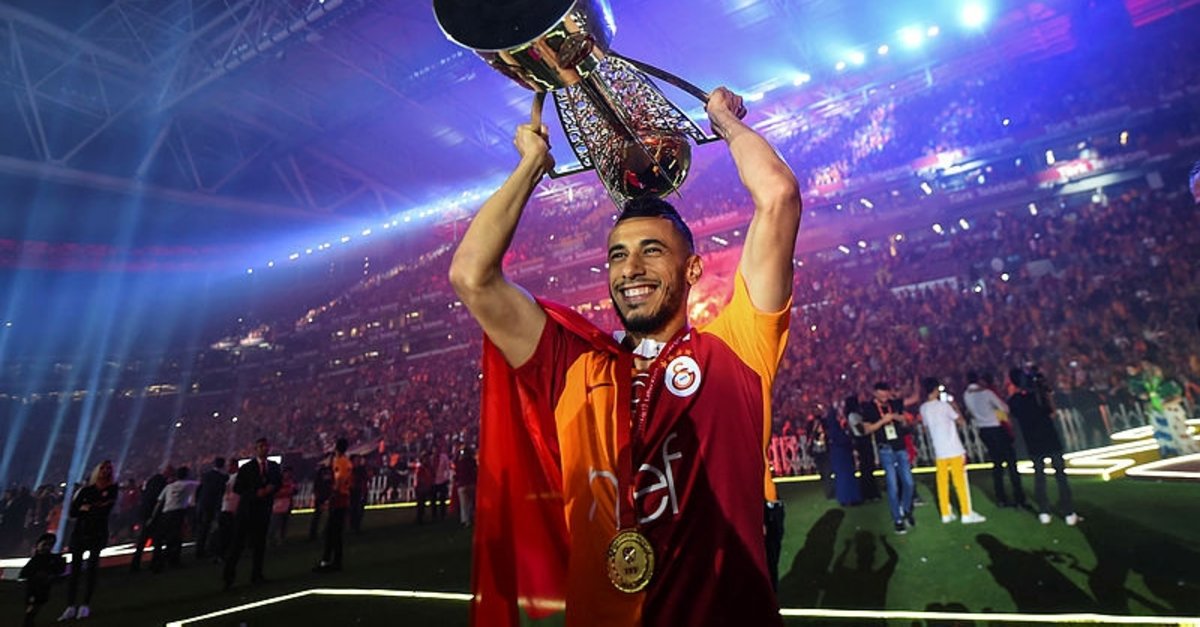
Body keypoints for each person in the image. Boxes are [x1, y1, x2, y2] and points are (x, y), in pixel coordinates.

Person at [450, 86, 800, 626]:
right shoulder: (573, 364)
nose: (630, 269)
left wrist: (724, 123)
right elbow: (471, 275)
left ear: (692, 269)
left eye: (651, 251)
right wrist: (531, 165)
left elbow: (777, 195)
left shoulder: (737, 348)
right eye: (618, 256)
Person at [1008, 368, 1080, 526]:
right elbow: (1052, 413)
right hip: (1049, 438)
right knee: (1060, 476)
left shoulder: (1014, 400)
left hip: (1033, 442)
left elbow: (1014, 416)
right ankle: (1068, 512)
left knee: (1039, 477)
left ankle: (1044, 512)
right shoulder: (1038, 395)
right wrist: (1047, 395)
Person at [919, 378, 986, 524]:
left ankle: (945, 513)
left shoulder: (923, 408)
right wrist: (955, 406)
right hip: (954, 449)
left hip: (939, 451)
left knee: (942, 483)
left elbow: (925, 427)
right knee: (960, 482)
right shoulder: (945, 406)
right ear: (936, 389)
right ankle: (966, 513)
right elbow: (961, 422)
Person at [59, 460, 117, 621]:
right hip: (81, 532)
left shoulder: (112, 490)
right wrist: (93, 508)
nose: (105, 471)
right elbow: (73, 512)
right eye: (103, 468)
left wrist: (88, 508)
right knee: (75, 571)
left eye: (108, 469)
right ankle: (70, 606)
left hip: (97, 533)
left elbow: (105, 510)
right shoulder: (85, 490)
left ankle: (85, 605)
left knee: (92, 569)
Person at [222, 438, 282, 590]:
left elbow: (278, 482)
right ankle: (229, 577)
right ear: (256, 449)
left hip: (263, 510)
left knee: (260, 544)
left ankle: (257, 575)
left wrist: (271, 489)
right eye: (261, 446)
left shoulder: (274, 466)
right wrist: (255, 493)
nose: (264, 449)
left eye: (266, 446)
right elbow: (238, 488)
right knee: (237, 544)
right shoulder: (247, 467)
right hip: (247, 510)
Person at [963, 371, 1025, 508]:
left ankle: (1001, 498)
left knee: (997, 464)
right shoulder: (987, 393)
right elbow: (1005, 408)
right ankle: (1019, 497)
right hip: (996, 428)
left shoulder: (966, 395)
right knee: (1011, 463)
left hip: (984, 430)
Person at [860, 383, 916, 535]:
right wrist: (882, 421)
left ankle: (905, 509)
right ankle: (898, 519)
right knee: (893, 486)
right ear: (875, 393)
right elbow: (866, 429)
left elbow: (906, 419)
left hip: (900, 447)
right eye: (881, 395)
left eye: (886, 394)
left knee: (909, 482)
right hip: (885, 449)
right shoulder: (869, 408)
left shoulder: (895, 404)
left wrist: (895, 417)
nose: (884, 397)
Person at [152, 466, 200, 571]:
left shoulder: (168, 486)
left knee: (165, 537)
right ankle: (173, 560)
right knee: (177, 538)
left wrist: (153, 516)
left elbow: (159, 502)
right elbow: (200, 484)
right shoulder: (189, 484)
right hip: (178, 513)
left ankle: (159, 561)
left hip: (166, 513)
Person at [314, 438, 351, 573]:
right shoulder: (346, 461)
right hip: (343, 497)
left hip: (339, 498)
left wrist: (330, 498)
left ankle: (331, 561)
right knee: (334, 531)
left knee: (333, 531)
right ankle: (330, 561)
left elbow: (339, 480)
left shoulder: (340, 462)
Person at [129, 465, 170, 573]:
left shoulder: (149, 488)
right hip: (154, 516)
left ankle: (135, 564)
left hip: (146, 515)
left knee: (143, 540)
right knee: (157, 540)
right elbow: (158, 503)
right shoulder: (161, 487)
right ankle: (155, 564)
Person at [194, 457, 228, 559]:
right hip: (213, 505)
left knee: (203, 528)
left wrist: (198, 502)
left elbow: (199, 489)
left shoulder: (206, 475)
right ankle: (211, 549)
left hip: (203, 504)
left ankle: (200, 550)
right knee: (212, 528)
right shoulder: (222, 477)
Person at [308, 458, 334, 541]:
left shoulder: (332, 471)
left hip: (329, 495)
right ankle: (313, 534)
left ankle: (326, 532)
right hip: (321, 496)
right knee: (317, 515)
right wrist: (317, 495)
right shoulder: (321, 471)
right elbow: (317, 483)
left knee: (330, 515)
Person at [269, 467, 296, 546]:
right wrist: (286, 492)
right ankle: (271, 539)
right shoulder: (277, 481)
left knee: (284, 524)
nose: (288, 474)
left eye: (290, 473)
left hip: (287, 505)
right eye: (287, 472)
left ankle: (281, 539)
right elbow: (273, 493)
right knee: (274, 524)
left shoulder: (292, 481)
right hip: (277, 507)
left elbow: (294, 491)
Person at [455, 446, 478, 527]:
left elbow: (457, 472)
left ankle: (465, 520)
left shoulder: (459, 462)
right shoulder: (472, 461)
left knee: (464, 504)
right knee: (471, 502)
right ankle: (472, 517)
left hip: (462, 484)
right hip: (471, 483)